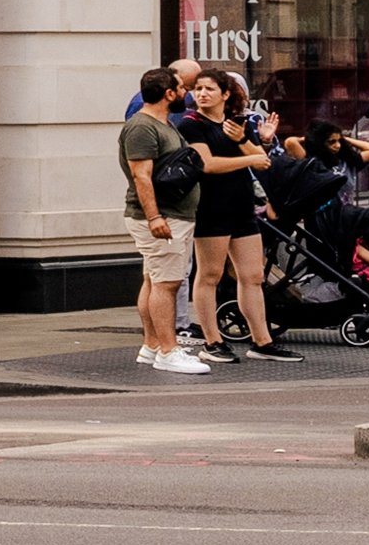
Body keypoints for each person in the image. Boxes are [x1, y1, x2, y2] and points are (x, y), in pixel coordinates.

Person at [180, 72, 296, 362]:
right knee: (210, 275)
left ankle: (262, 342)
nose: (202, 94)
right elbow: (207, 164)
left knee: (253, 275)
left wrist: (244, 139)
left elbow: (263, 158)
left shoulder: (235, 123)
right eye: (197, 89)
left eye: (209, 89)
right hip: (211, 205)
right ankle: (212, 341)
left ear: (225, 94)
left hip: (241, 205)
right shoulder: (192, 124)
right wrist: (249, 158)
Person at [116, 66, 205, 376]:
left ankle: (152, 345)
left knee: (155, 280)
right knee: (167, 284)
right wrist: (154, 216)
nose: (186, 93)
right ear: (168, 94)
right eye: (181, 88)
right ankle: (169, 350)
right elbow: (141, 175)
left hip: (171, 216)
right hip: (162, 218)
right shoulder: (142, 127)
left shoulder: (161, 123)